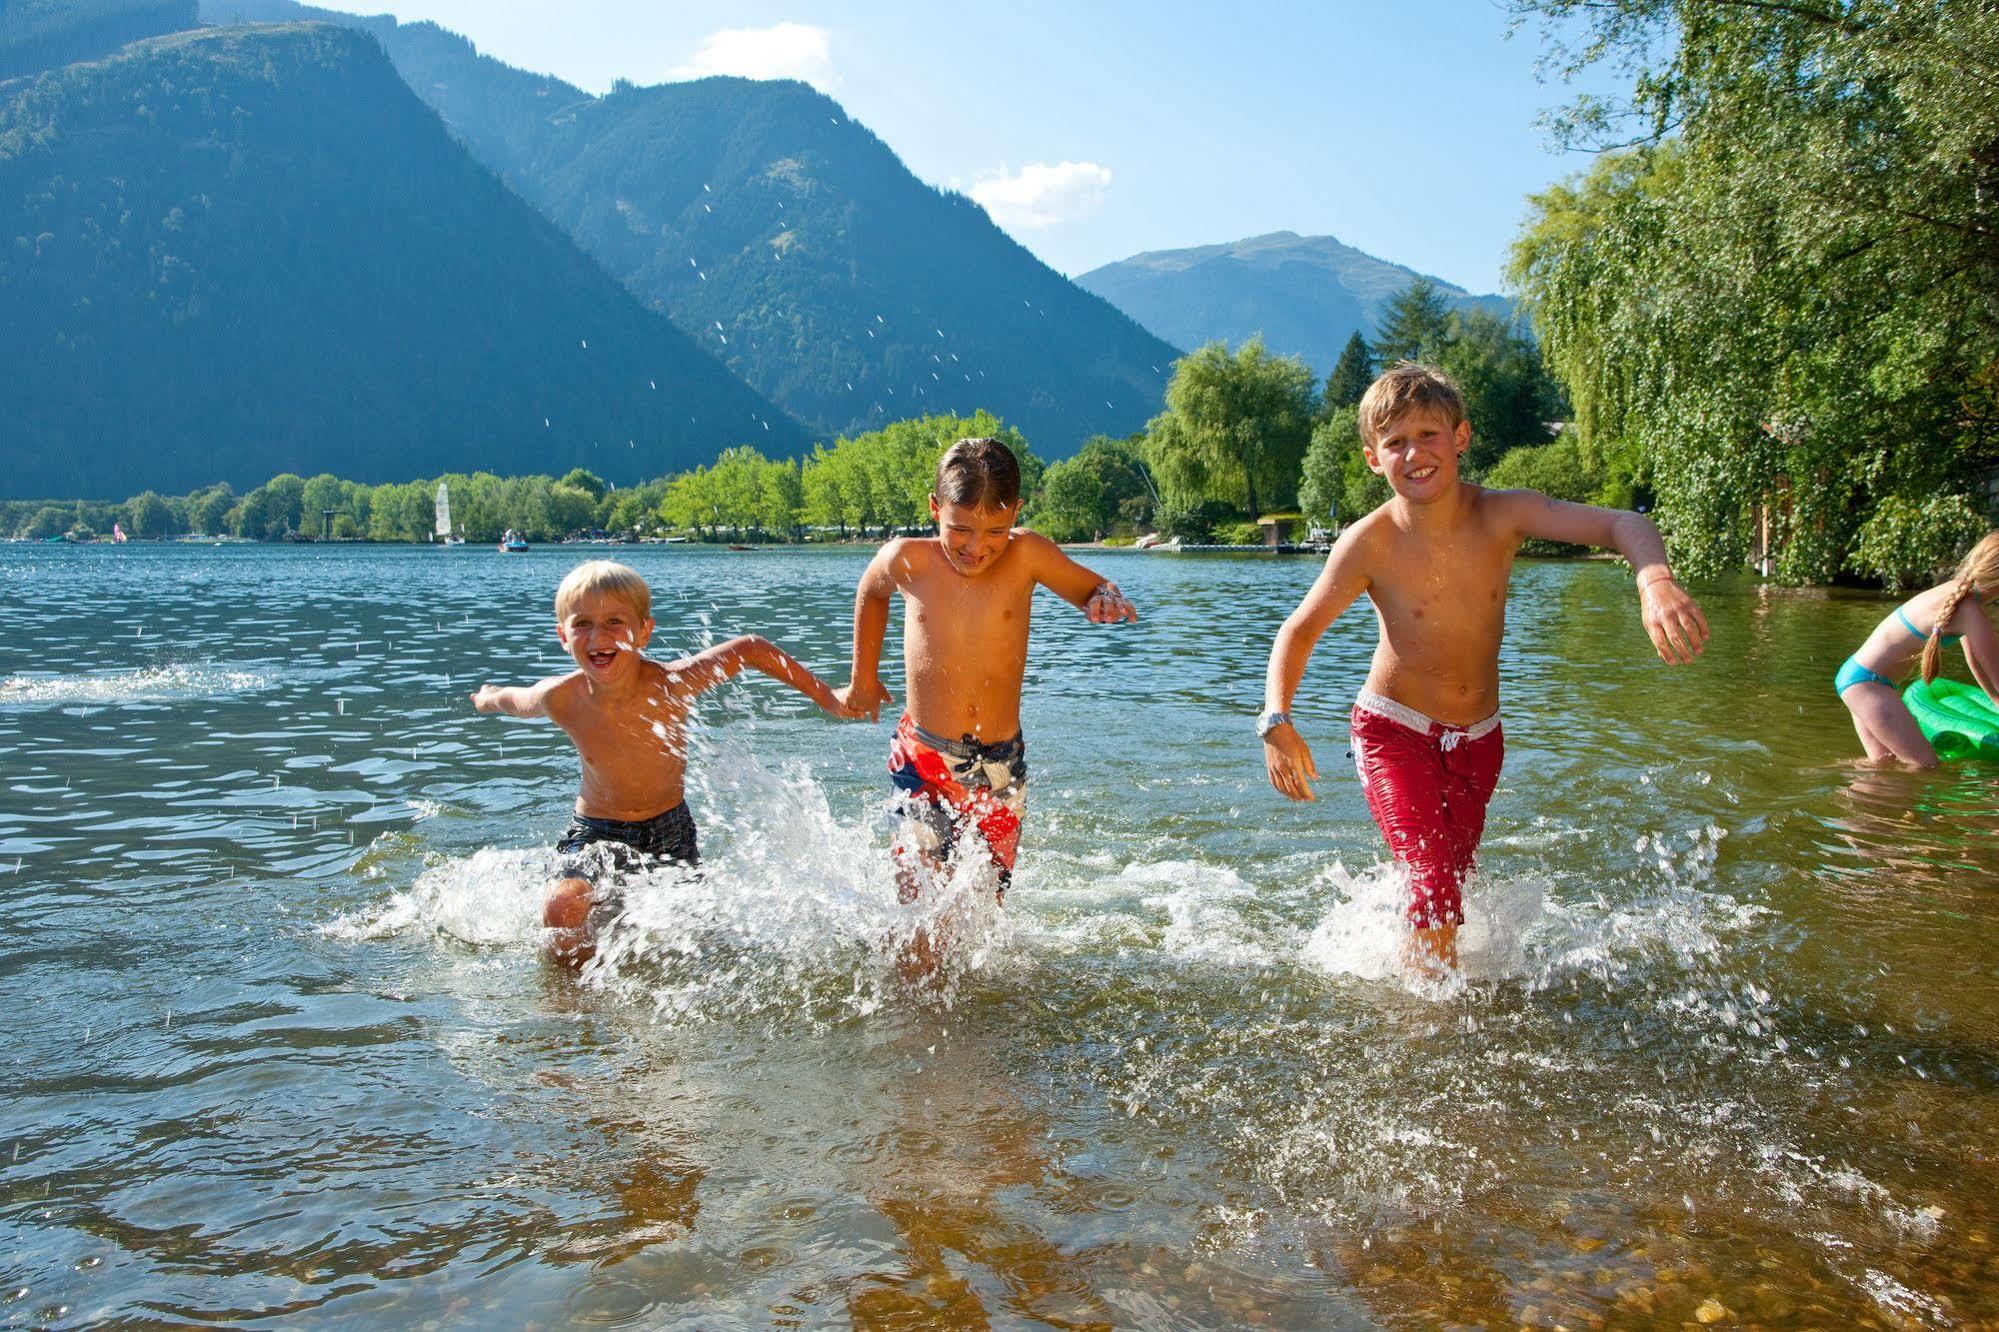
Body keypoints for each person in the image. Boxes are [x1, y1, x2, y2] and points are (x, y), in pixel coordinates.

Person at [1258, 364, 1710, 973]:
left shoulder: (1503, 515)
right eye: (1395, 443)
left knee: (1452, 882)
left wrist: (1653, 580)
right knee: (1431, 879)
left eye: (1428, 435)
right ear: (1373, 458)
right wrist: (1276, 720)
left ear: (1461, 437)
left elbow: (1623, 522)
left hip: (1479, 741)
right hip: (1392, 731)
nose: (1414, 454)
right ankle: (1428, 1028)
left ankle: (1425, 977)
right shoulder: (1369, 542)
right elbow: (1299, 630)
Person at [470, 560, 853, 961]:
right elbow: (514, 700)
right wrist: (487, 697)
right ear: (563, 636)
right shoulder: (561, 696)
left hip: (669, 829)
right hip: (594, 831)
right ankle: (571, 1004)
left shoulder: (671, 685)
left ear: (644, 632)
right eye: (582, 623)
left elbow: (751, 649)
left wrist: (827, 696)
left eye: (615, 621)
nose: (599, 636)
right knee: (561, 909)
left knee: (683, 941)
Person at [837, 437, 1137, 912]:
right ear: (936, 508)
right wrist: (863, 680)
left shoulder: (1028, 555)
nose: (978, 548)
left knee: (980, 917)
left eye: (996, 531)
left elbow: (1091, 587)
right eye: (960, 529)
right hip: (924, 760)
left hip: (1001, 766)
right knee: (917, 911)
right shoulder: (908, 558)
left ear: (1016, 512)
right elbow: (871, 592)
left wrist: (1104, 597)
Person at [1836, 531, 1999, 768]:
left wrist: (1994, 700)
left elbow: (1976, 660)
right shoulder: (1971, 610)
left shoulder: (1958, 595)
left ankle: (1822, 775)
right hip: (1869, 686)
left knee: (1884, 766)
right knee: (1925, 767)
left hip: (1858, 679)